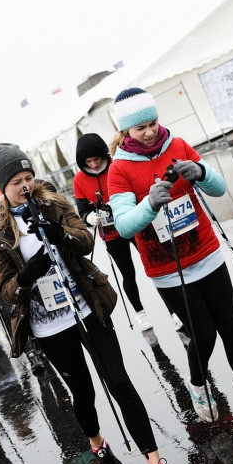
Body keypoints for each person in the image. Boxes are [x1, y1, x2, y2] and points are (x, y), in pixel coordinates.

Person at [0, 143, 188, 464]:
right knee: (84, 392)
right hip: (50, 326)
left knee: (120, 382)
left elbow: (85, 240)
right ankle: (98, 444)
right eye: (17, 182)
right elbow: (8, 291)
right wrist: (28, 274)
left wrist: (60, 234)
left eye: (29, 177)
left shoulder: (53, 203)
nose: (26, 185)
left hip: (87, 307)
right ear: (2, 187)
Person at [106, 88, 233, 426]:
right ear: (125, 131)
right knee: (202, 333)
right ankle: (197, 384)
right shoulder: (119, 170)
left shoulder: (177, 145)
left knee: (230, 325)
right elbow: (124, 225)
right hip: (167, 268)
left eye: (153, 123)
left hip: (206, 252)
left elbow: (218, 188)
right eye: (140, 127)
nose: (149, 132)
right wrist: (149, 204)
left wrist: (201, 173)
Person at [73, 133, 182, 333]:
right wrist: (89, 218)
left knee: (156, 266)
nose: (94, 165)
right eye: (89, 161)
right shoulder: (79, 179)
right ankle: (140, 313)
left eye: (96, 159)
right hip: (112, 234)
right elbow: (82, 209)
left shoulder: (116, 166)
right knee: (128, 274)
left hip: (134, 225)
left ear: (103, 155)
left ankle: (174, 310)